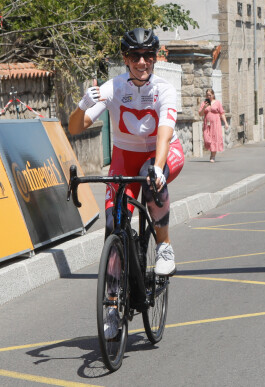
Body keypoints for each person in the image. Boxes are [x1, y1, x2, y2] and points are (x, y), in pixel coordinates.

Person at [68, 27, 184, 278]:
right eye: (135, 56)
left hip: (163, 151)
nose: (142, 62)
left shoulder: (164, 89)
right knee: (113, 225)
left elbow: (164, 133)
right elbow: (75, 127)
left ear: (155, 57)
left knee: (150, 176)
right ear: (125, 59)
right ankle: (113, 300)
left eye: (148, 56)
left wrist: (158, 166)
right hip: (125, 157)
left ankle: (164, 246)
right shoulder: (115, 88)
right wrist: (82, 105)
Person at [198, 89, 228, 163]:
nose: (208, 96)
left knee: (214, 138)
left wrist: (226, 123)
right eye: (207, 95)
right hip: (207, 124)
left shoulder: (217, 103)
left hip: (216, 123)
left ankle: (213, 156)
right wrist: (204, 107)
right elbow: (200, 114)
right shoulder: (204, 103)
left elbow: (222, 113)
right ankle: (212, 152)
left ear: (213, 95)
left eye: (210, 95)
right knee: (207, 138)